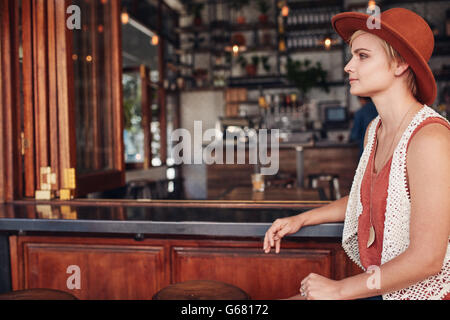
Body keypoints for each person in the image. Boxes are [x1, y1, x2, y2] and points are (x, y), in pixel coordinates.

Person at [263, 8, 450, 300]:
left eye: (362, 56)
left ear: (400, 63)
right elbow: (368, 196)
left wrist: (339, 289)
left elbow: (427, 259)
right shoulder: (375, 129)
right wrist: (302, 219)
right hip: (383, 288)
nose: (349, 66)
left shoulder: (430, 139)